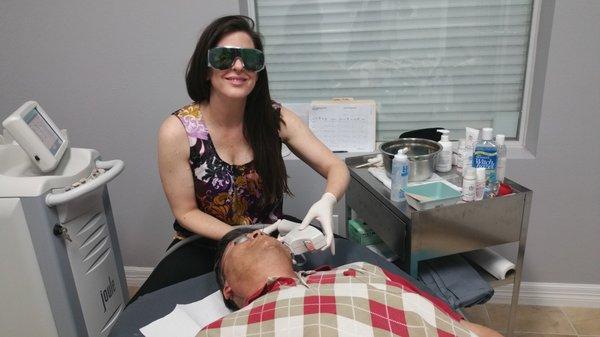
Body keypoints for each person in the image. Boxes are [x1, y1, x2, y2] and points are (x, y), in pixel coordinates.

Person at [130, 15, 349, 302]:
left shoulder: (275, 119)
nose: (237, 66)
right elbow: (185, 213)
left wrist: (328, 199)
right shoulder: (178, 131)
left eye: (249, 59)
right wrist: (240, 239)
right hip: (203, 243)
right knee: (149, 310)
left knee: (333, 289)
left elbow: (335, 166)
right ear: (206, 69)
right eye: (223, 57)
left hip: (267, 236)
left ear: (259, 71)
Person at [201, 227, 503, 337]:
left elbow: (464, 329)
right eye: (242, 239)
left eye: (262, 232)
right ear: (228, 288)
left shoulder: (358, 271)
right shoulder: (220, 331)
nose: (257, 234)